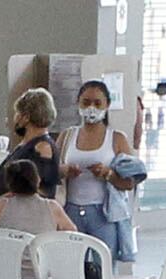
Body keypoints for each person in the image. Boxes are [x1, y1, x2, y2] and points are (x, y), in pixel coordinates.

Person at [59, 79, 139, 266]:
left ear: (107, 105)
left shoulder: (117, 139)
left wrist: (108, 174)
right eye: (85, 103)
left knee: (103, 269)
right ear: (78, 103)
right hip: (70, 210)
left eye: (97, 103)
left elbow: (130, 182)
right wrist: (65, 171)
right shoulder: (67, 136)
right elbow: (51, 170)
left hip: (103, 214)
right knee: (70, 267)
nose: (91, 109)